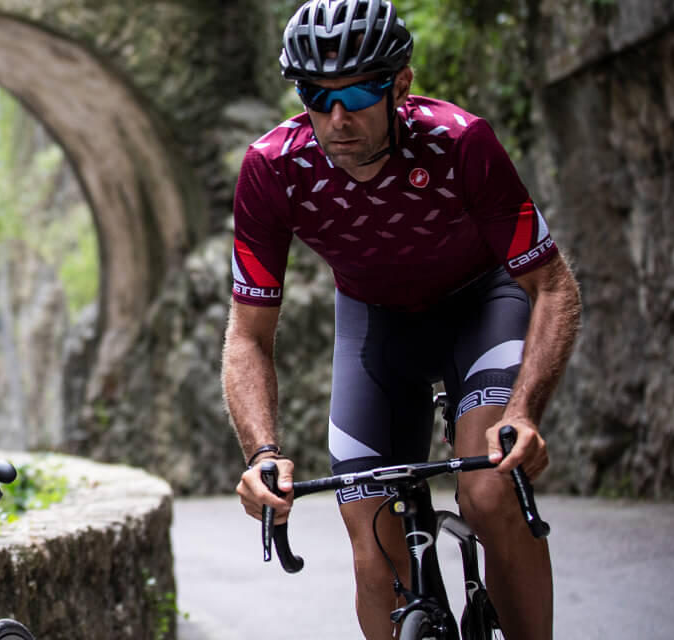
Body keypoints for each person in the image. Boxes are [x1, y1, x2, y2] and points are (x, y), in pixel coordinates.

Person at [223, 1, 580, 638]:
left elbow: (551, 285)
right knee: (369, 533)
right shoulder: (272, 168)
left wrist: (524, 413)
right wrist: (262, 454)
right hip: (376, 324)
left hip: (482, 303)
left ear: (402, 84)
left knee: (491, 491)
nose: (337, 116)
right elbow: (249, 335)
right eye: (315, 94)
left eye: (359, 91)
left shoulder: (460, 140)